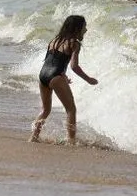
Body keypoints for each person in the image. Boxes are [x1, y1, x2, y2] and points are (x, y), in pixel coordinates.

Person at [31, 15, 97, 144]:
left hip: (43, 76)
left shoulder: (54, 40)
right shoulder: (74, 43)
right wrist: (88, 79)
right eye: (84, 27)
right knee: (71, 109)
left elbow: (51, 61)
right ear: (77, 28)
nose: (86, 30)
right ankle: (71, 140)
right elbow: (74, 66)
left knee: (45, 110)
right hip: (55, 77)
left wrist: (63, 76)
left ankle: (33, 137)